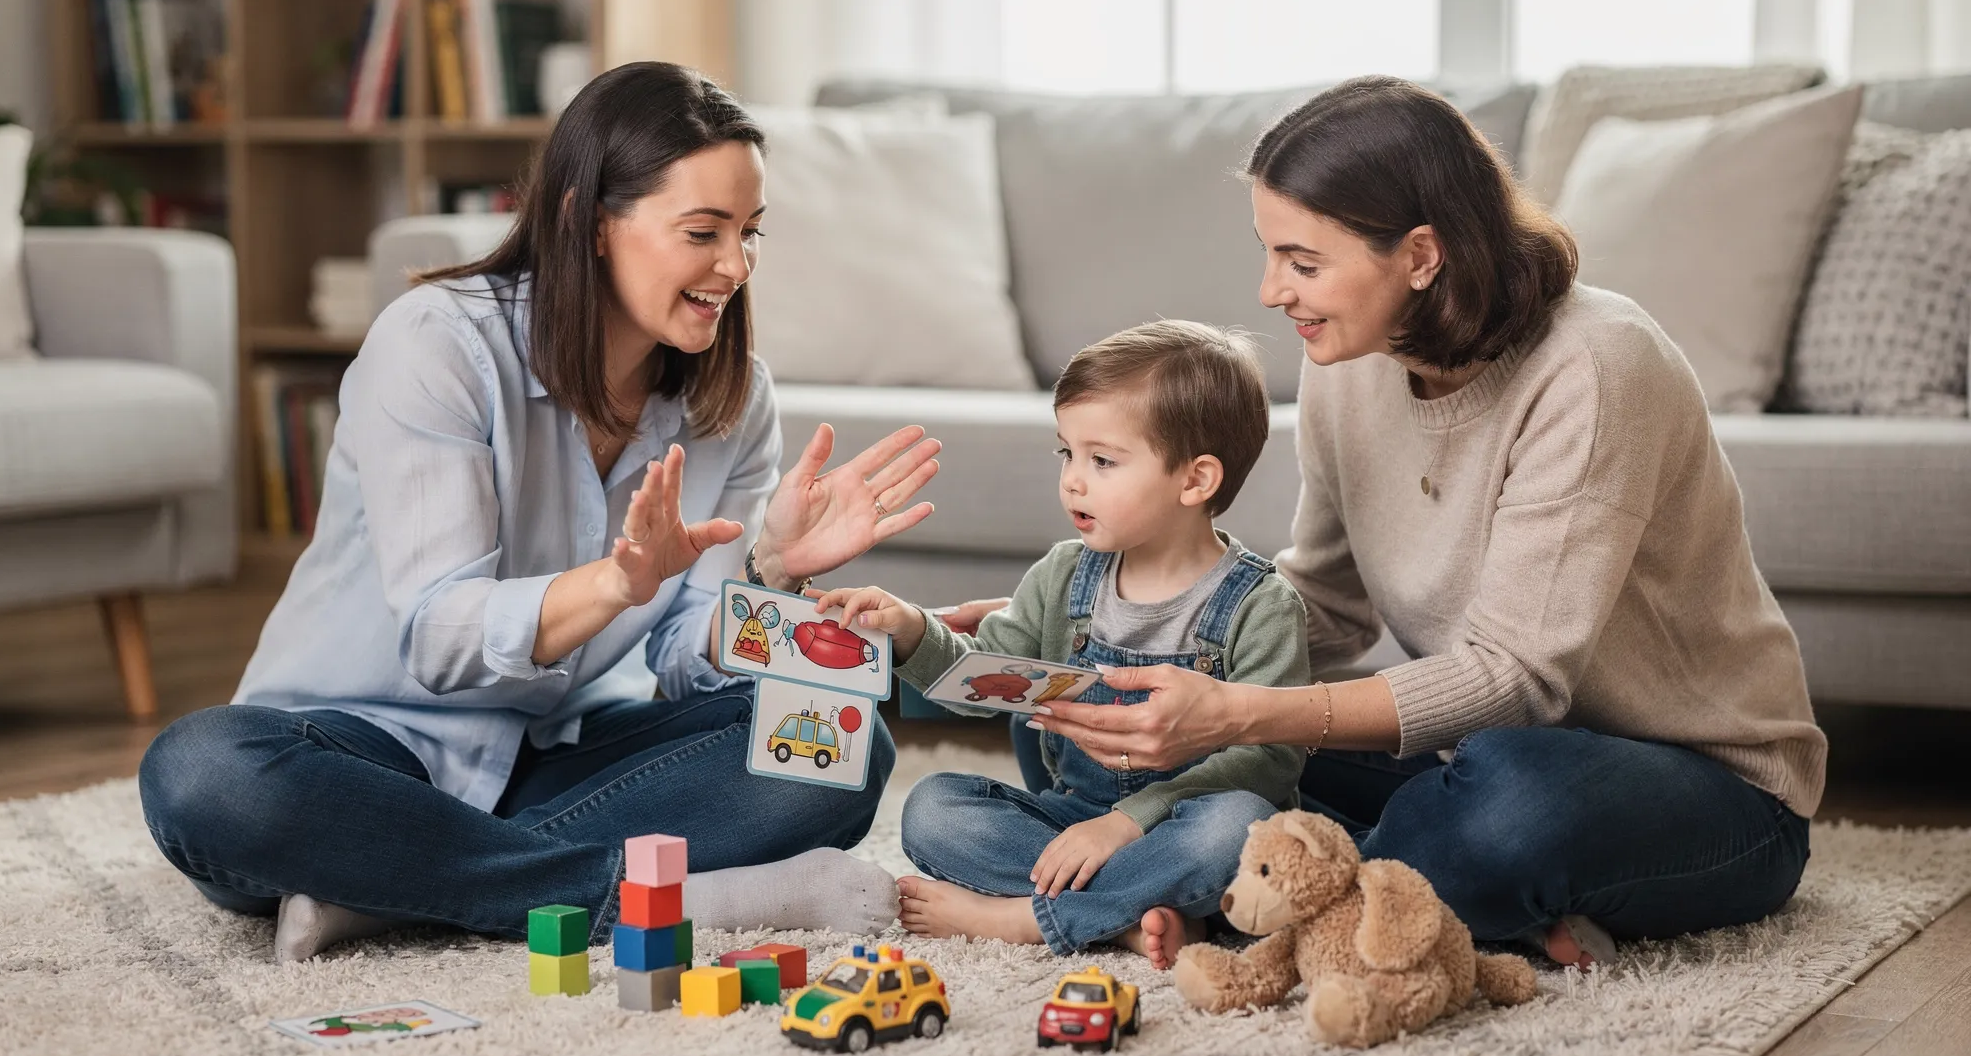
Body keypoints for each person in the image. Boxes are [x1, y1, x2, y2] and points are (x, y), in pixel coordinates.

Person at [965, 76, 1823, 970]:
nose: (1269, 292)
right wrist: (1113, 627)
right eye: (1268, 255)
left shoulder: (1598, 367)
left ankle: (1238, 896)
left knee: (1509, 800)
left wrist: (1238, 714)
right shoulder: (1351, 357)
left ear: (1419, 255)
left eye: (1302, 263)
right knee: (1084, 705)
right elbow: (1326, 602)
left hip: (1702, 787)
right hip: (1464, 754)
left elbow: (1521, 680)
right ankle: (1328, 893)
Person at [136, 62, 944, 963]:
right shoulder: (438, 344)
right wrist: (612, 582)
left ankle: (396, 888)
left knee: (839, 743)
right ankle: (689, 897)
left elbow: (683, 658)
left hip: (551, 757)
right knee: (201, 774)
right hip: (355, 750)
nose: (735, 266)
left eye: (750, 233)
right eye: (702, 233)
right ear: (585, 221)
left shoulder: (733, 398)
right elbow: (442, 637)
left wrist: (774, 573)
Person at [814, 321, 1310, 968]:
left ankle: (1034, 918)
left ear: (1195, 481)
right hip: (1071, 816)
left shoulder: (1261, 606)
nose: (1073, 480)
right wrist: (911, 630)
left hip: (1182, 822)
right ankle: (1134, 915)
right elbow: (983, 679)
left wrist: (1127, 822)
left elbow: (1270, 762)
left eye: (1101, 461)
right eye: (1066, 454)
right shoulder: (1062, 575)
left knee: (1238, 828)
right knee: (932, 809)